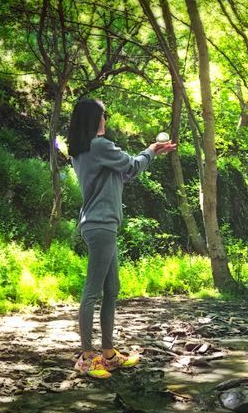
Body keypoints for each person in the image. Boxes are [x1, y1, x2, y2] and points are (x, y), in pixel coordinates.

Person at [66, 98, 177, 378]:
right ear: (95, 119)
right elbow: (131, 166)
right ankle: (87, 357)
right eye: (105, 114)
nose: (107, 119)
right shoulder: (100, 146)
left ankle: (108, 353)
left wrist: (146, 156)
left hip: (100, 224)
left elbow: (122, 174)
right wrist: (151, 150)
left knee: (111, 288)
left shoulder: (82, 150)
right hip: (101, 224)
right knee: (93, 291)